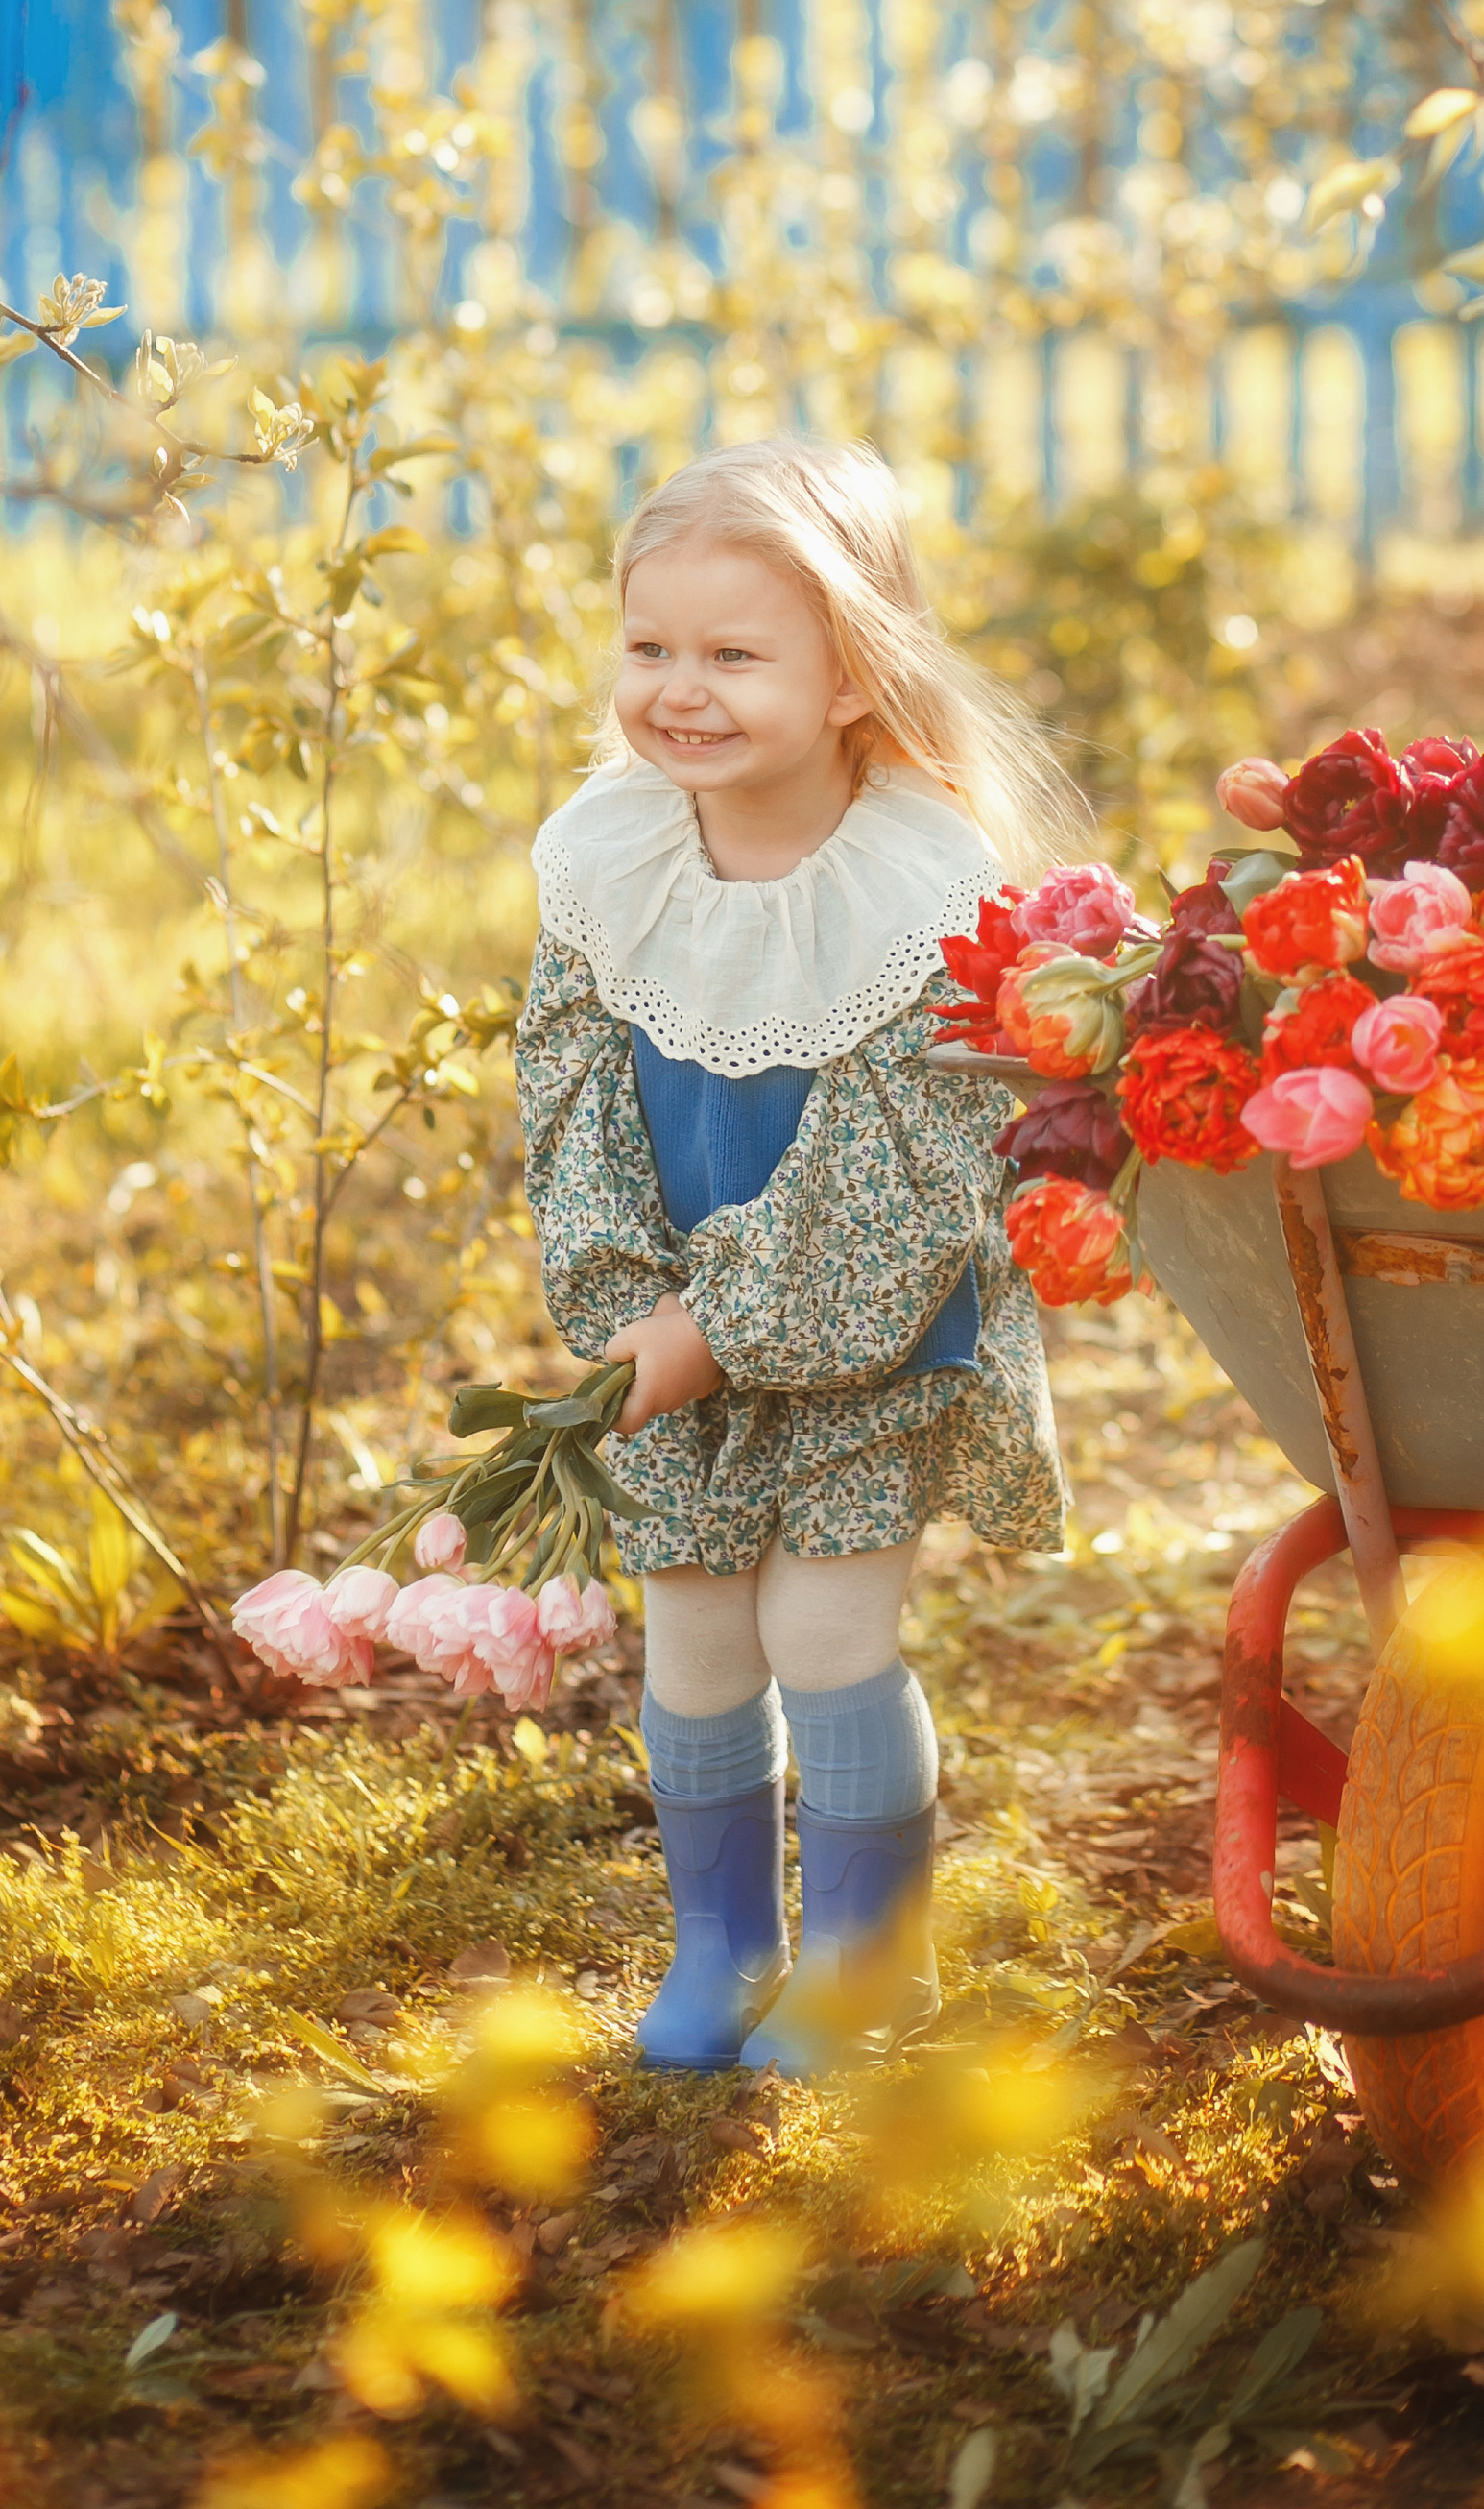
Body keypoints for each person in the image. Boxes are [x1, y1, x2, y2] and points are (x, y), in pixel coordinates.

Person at [515, 436, 1083, 2075]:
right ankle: (719, 1948)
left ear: (852, 676)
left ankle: (859, 1962)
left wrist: (722, 1323)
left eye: (733, 654)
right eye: (650, 649)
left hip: (870, 1337)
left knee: (824, 1634)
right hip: (667, 1329)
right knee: (691, 1630)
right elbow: (568, 1086)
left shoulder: (925, 887)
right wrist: (628, 1306)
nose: (679, 692)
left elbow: (905, 1163)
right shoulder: (612, 856)